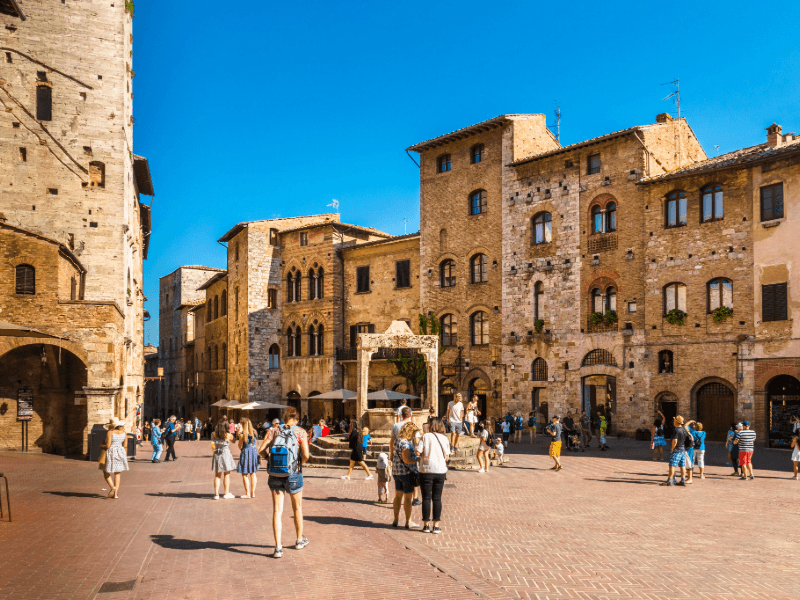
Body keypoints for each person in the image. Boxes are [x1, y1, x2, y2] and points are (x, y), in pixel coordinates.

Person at [261, 407, 310, 558]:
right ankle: (299, 540)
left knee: (277, 511)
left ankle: (278, 548)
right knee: (297, 508)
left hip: (275, 474)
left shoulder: (273, 430)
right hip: (293, 473)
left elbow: (261, 450)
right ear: (296, 419)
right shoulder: (300, 432)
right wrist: (297, 463)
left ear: (284, 417)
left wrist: (269, 460)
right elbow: (307, 455)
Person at [417, 417, 450, 534]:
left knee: (426, 498)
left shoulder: (426, 436)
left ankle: (426, 525)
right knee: (437, 498)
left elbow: (417, 452)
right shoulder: (444, 438)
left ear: (431, 425)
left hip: (426, 469)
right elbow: (447, 457)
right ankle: (436, 526)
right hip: (440, 471)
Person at [392, 421, 420, 529]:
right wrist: (418, 459)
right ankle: (408, 521)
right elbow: (407, 460)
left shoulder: (397, 441)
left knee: (398, 496)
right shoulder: (405, 444)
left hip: (396, 471)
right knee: (408, 498)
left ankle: (396, 519)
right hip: (407, 473)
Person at [99, 417, 128, 499]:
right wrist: (124, 455)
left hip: (111, 452)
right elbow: (125, 446)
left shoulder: (110, 432)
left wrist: (102, 446)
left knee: (105, 471)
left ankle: (112, 487)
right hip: (120, 453)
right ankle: (115, 494)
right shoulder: (124, 433)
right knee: (117, 473)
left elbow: (108, 446)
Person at [211, 417, 237, 499]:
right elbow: (234, 441)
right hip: (225, 453)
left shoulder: (213, 434)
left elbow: (213, 440)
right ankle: (226, 493)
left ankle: (216, 494)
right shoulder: (228, 435)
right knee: (226, 474)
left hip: (217, 453)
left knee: (217, 475)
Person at [661, 416, 688, 486]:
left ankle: (670, 480)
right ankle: (683, 480)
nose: (673, 422)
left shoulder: (676, 430)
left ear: (676, 421)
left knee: (672, 465)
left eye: (674, 420)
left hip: (677, 449)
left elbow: (675, 441)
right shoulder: (684, 429)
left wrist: (672, 449)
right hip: (683, 449)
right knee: (682, 466)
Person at [237, 417, 260, 498]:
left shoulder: (242, 434)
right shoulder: (254, 432)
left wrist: (239, 434)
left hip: (246, 452)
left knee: (245, 474)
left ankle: (247, 493)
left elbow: (240, 446)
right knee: (253, 473)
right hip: (253, 452)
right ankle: (253, 493)